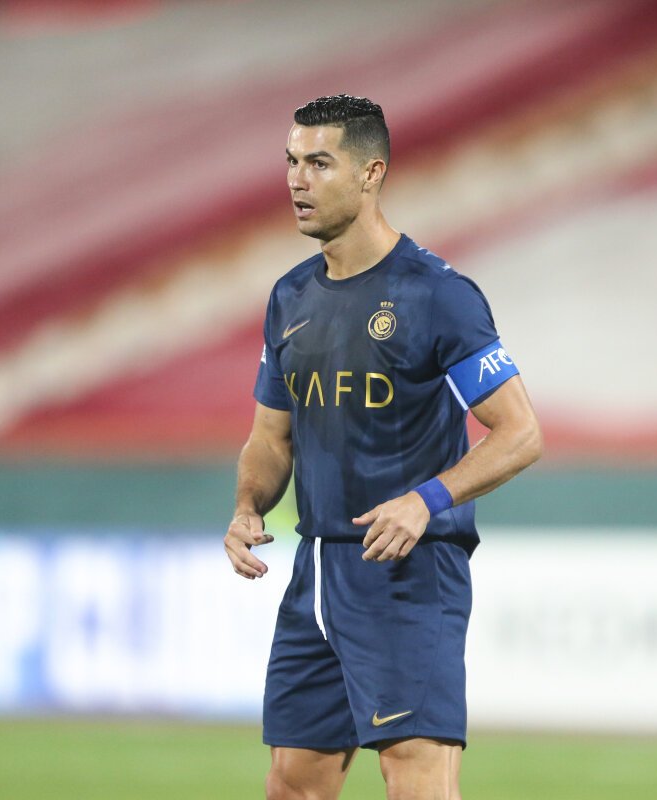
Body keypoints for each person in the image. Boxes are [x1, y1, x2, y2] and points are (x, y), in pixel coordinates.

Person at [223, 94, 543, 800]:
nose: (297, 180)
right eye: (291, 162)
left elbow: (521, 433)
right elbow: (270, 437)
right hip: (316, 571)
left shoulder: (438, 295)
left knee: (415, 781)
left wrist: (427, 500)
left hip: (406, 573)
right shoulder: (290, 297)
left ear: (371, 174)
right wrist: (248, 505)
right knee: (292, 785)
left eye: (319, 163)